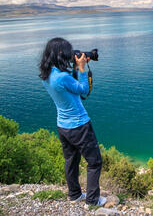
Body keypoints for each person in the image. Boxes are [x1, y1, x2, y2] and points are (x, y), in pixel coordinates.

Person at [39, 37, 106, 206]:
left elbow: (69, 87)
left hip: (63, 126)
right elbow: (83, 90)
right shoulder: (62, 78)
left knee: (71, 160)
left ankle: (75, 194)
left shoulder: (48, 75)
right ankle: (92, 200)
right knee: (94, 161)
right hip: (79, 125)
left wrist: (76, 68)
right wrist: (82, 69)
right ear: (61, 53)